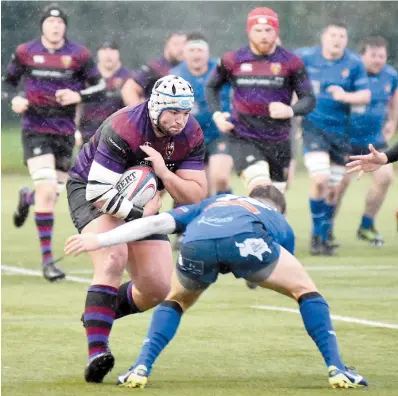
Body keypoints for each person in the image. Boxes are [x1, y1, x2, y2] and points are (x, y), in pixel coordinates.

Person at [65, 185, 368, 390]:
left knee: (177, 300)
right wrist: (247, 272)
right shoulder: (277, 219)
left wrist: (100, 240)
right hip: (246, 240)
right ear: (279, 208)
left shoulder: (213, 203)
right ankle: (337, 368)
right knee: (306, 292)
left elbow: (154, 224)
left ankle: (140, 368)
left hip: (197, 241)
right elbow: (268, 272)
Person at [66, 75, 207, 383]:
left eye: (185, 112)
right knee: (114, 256)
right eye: (172, 112)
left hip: (143, 198)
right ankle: (98, 350)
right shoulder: (125, 126)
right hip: (91, 190)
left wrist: (162, 174)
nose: (179, 119)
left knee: (157, 286)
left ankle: (98, 314)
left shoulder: (192, 132)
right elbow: (99, 194)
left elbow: (196, 195)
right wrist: (143, 212)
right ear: (155, 107)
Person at [2, 3, 105, 282]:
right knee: (48, 189)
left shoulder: (79, 54)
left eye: (60, 23)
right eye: (50, 22)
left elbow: (99, 86)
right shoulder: (25, 52)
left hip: (64, 132)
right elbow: (6, 83)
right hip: (35, 129)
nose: (55, 26)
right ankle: (47, 261)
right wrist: (15, 99)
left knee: (51, 194)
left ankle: (28, 197)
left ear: (65, 28)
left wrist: (78, 96)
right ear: (43, 26)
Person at [206, 7, 315, 197]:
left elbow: (309, 99)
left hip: (278, 140)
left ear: (276, 31)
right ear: (249, 32)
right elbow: (211, 87)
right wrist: (217, 114)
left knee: (276, 201)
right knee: (261, 188)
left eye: (268, 30)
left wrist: (290, 110)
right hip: (243, 136)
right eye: (258, 30)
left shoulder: (292, 62)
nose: (263, 36)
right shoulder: (233, 60)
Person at [295, 21, 371, 255]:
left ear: (346, 41)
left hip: (341, 133)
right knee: (320, 179)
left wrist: (345, 96)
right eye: (333, 35)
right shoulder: (305, 58)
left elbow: (365, 95)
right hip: (313, 129)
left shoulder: (354, 62)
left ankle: (323, 234)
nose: (337, 40)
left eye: (341, 36)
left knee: (333, 190)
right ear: (323, 38)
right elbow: (287, 75)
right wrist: (293, 110)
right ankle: (317, 237)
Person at [170, 32, 232, 250]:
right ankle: (185, 229)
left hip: (219, 134)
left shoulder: (221, 71)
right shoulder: (175, 75)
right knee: (193, 188)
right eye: (192, 50)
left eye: (200, 50)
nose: (196, 55)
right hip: (187, 140)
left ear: (207, 53)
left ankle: (230, 224)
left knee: (220, 178)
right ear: (184, 53)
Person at [334, 36, 397, 246]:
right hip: (345, 140)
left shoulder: (391, 76)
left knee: (386, 177)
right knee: (339, 183)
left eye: (382, 55)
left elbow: (394, 102)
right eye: (373, 55)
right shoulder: (350, 73)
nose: (378, 60)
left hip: (374, 141)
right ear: (362, 55)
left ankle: (367, 225)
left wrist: (394, 123)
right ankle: (325, 231)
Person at [77, 40, 135, 144]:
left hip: (117, 136)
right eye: (104, 50)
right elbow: (78, 105)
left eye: (112, 50)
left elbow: (136, 108)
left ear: (118, 53)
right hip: (88, 135)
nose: (108, 54)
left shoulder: (129, 78)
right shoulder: (87, 77)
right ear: (98, 53)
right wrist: (75, 130)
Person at [125, 32, 186, 106]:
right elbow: (128, 89)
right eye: (176, 44)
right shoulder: (156, 68)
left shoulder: (192, 67)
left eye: (184, 44)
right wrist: (140, 113)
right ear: (167, 46)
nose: (181, 48)